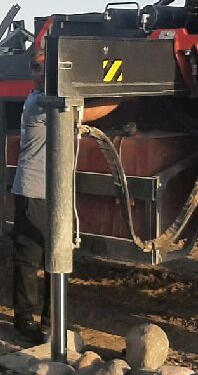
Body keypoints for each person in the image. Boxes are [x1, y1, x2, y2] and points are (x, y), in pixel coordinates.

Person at [11, 47, 118, 342]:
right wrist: (123, 96)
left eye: (48, 66)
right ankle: (25, 322)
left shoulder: (53, 102)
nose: (42, 72)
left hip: (53, 192)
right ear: (30, 72)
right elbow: (91, 112)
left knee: (55, 255)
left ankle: (50, 321)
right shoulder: (42, 104)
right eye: (36, 67)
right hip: (34, 192)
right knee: (30, 260)